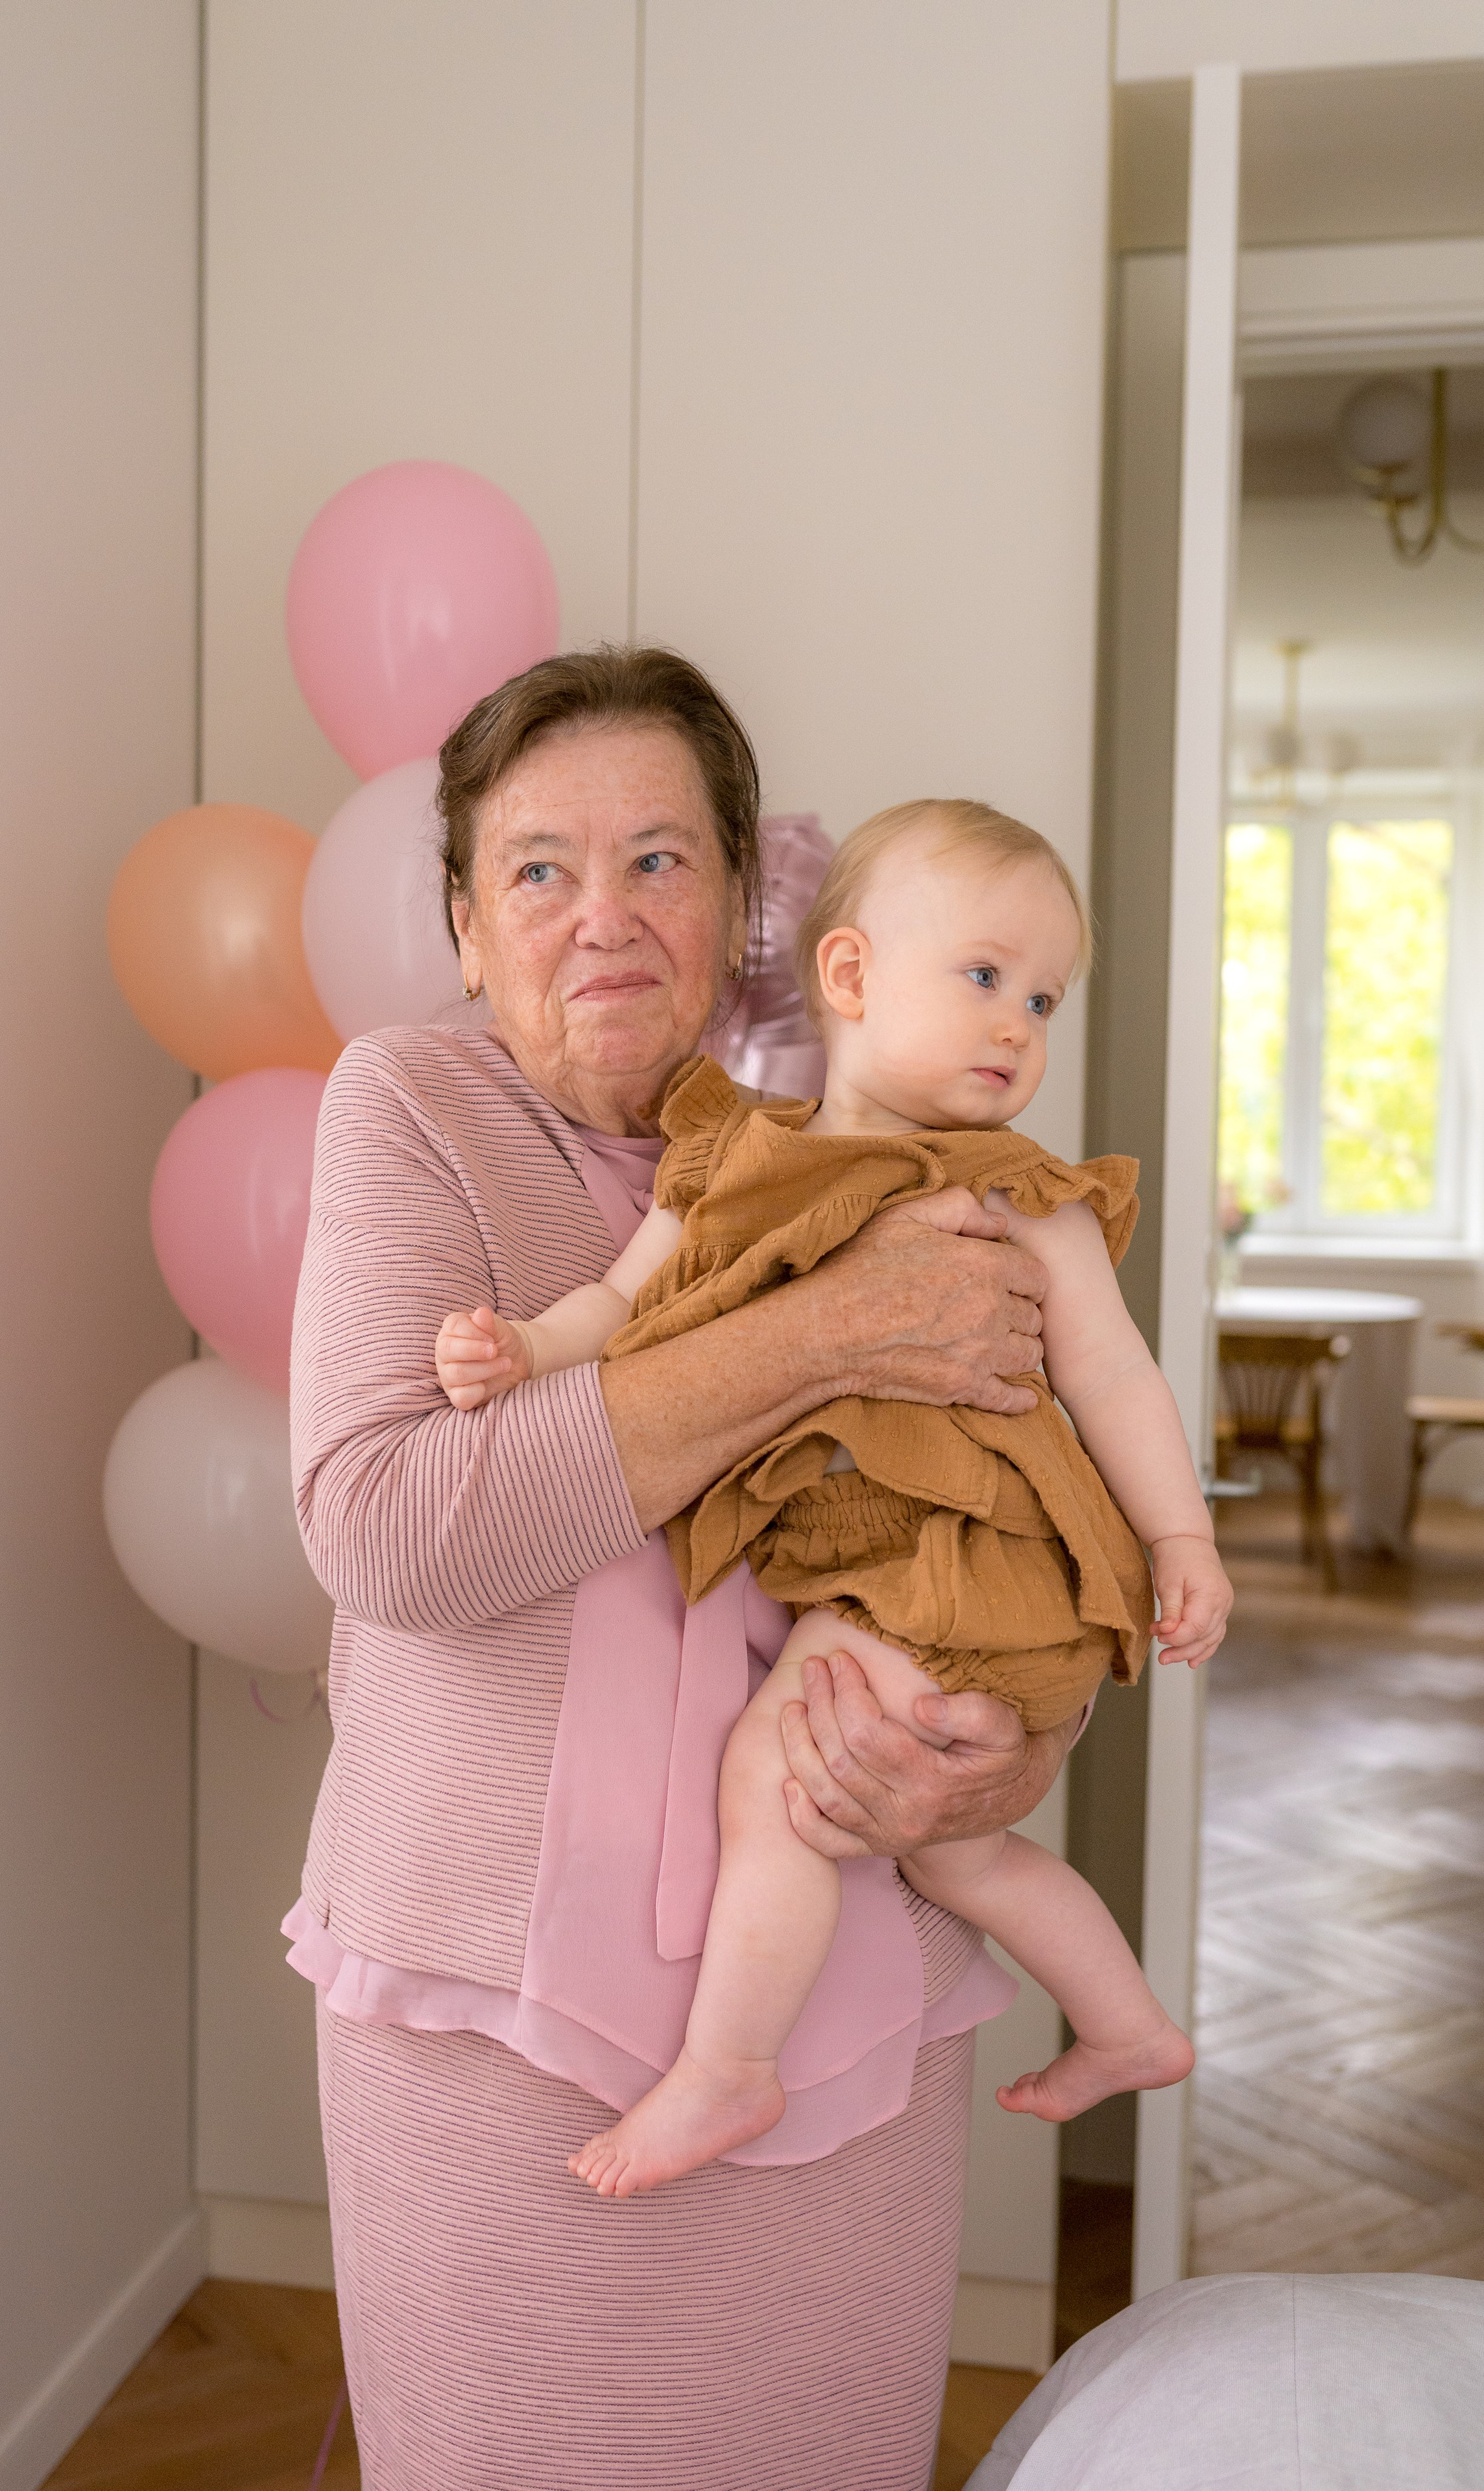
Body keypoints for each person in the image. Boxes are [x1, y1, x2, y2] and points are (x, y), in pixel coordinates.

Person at [287, 649, 1091, 2491]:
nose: (602, 915)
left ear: (744, 910)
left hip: (840, 1980)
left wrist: (1011, 1751)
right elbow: (392, 1527)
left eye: (660, 859)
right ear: (466, 928)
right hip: (488, 2020)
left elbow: (1028, 1518)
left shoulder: (886, 1147)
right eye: (540, 869)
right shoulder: (409, 1103)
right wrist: (818, 1344)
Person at [437, 799, 1228, 2200]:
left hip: (953, 1567)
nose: (1017, 1028)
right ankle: (1125, 2025)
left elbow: (1113, 1378)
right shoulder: (745, 1162)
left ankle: (729, 2067)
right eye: (984, 978)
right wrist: (522, 1350)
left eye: (1042, 998)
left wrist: (1180, 1536)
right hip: (907, 1579)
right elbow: (622, 1304)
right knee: (964, 1854)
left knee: (778, 1775)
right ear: (850, 977)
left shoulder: (1015, 1197)